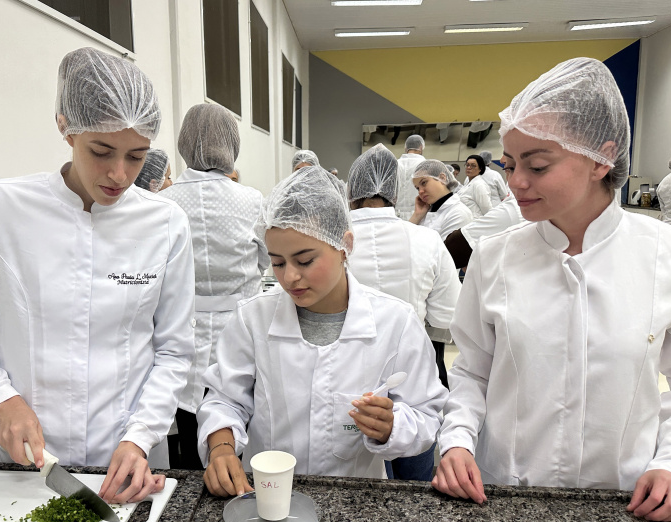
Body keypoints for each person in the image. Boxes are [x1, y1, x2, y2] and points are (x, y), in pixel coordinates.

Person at [433, 57, 671, 522]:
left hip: (624, 502)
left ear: (600, 159)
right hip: (502, 497)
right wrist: (457, 442)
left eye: (538, 165)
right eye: (509, 164)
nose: (516, 183)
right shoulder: (495, 257)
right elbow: (473, 373)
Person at [0, 47, 195, 504]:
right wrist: (0, 398)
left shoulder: (167, 224)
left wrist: (141, 435)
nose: (119, 174)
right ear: (65, 126)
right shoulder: (0, 207)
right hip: (25, 461)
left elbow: (174, 351)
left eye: (137, 156)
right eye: (101, 151)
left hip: (125, 462)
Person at [196, 167, 447, 496]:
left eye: (304, 260)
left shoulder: (396, 323)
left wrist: (392, 426)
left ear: (344, 245)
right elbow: (225, 399)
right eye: (278, 262)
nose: (290, 278)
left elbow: (426, 412)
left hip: (356, 499)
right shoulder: (253, 318)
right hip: (268, 495)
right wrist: (221, 448)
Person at [158, 103, 268, 470]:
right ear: (232, 144)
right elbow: (269, 262)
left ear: (184, 144)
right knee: (239, 424)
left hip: (178, 336)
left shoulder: (162, 203)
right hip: (242, 333)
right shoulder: (252, 201)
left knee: (189, 437)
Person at [346, 144, 460, 481]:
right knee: (414, 487)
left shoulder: (333, 239)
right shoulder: (426, 240)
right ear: (397, 191)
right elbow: (445, 317)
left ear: (351, 190)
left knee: (351, 486)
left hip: (348, 377)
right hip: (413, 380)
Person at [409, 159, 473, 240]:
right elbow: (403, 240)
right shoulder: (426, 212)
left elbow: (444, 251)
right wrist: (417, 215)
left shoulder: (459, 214)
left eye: (424, 183)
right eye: (417, 188)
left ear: (442, 178)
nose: (420, 191)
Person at [395, 134, 427, 220]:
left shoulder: (396, 164)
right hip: (418, 213)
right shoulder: (425, 164)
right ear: (421, 147)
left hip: (396, 213)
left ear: (406, 148)